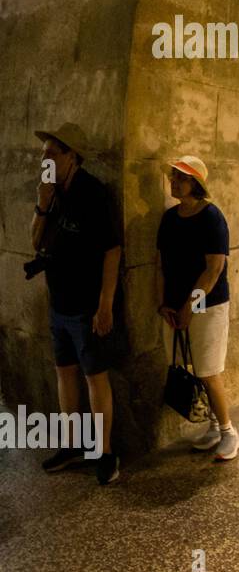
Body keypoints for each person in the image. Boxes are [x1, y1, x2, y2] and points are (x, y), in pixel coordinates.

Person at [32, 123, 123, 485]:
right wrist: (41, 204)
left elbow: (112, 250)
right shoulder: (51, 193)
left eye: (52, 153)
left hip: (86, 305)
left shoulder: (92, 192)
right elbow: (34, 242)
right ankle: (71, 446)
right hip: (58, 303)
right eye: (43, 154)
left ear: (72, 156)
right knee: (64, 373)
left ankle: (104, 452)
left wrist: (105, 305)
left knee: (94, 377)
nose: (45, 159)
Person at [155, 156, 239, 461]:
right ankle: (215, 427)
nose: (174, 182)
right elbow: (161, 265)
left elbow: (213, 269)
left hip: (209, 304)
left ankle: (230, 432)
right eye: (173, 176)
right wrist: (163, 303)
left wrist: (191, 307)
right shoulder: (169, 218)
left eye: (181, 177)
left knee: (208, 369)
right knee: (191, 366)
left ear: (196, 184)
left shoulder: (212, 217)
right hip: (176, 305)